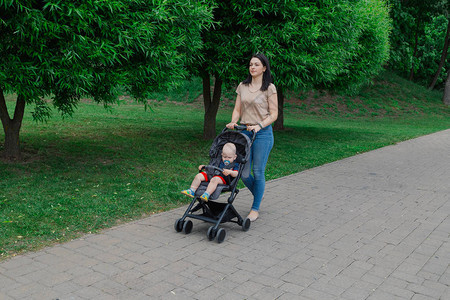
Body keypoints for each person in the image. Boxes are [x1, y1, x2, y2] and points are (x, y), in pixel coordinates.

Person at [226, 53, 278, 222]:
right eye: (250, 64)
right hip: (244, 132)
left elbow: (274, 114)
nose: (252, 67)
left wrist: (260, 125)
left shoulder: (269, 88)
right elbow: (237, 109)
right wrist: (234, 121)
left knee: (257, 171)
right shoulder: (242, 86)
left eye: (256, 64)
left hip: (262, 133)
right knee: (244, 173)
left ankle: (255, 208)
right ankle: (259, 194)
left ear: (264, 68)